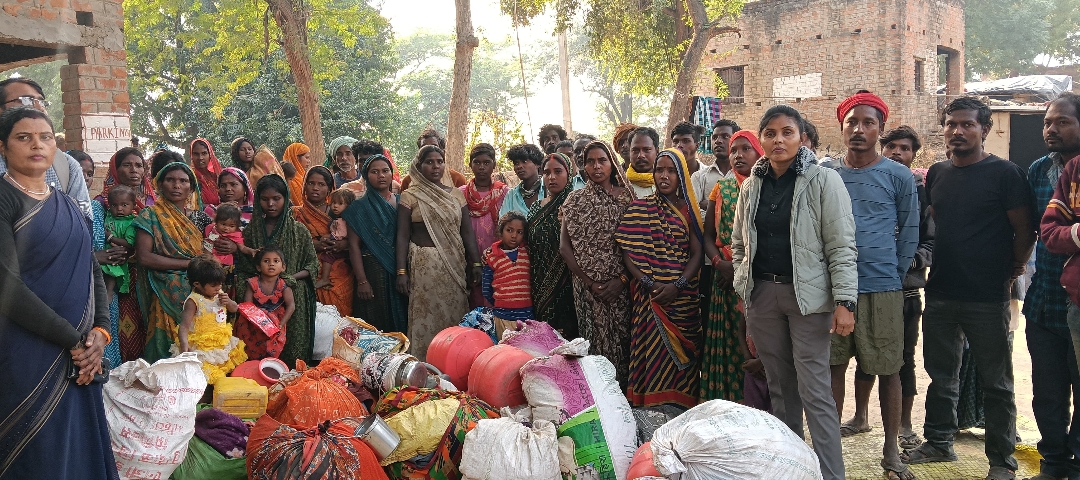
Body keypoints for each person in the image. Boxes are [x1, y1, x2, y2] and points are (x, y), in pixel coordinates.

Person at [902, 97, 1034, 480]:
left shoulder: (1006, 174)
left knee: (997, 382)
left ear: (984, 130)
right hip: (941, 291)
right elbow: (939, 222)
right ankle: (939, 443)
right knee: (942, 375)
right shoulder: (939, 174)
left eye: (967, 125)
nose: (957, 131)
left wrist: (1014, 269)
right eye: (951, 124)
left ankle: (1001, 459)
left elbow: (1025, 230)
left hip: (987, 295)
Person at [731, 105, 857, 480]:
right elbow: (739, 245)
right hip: (763, 297)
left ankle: (832, 474)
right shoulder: (752, 186)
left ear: (802, 137)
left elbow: (842, 246)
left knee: (815, 390)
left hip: (809, 299)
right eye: (770, 133)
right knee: (780, 389)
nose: (778, 139)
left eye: (787, 132)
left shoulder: (823, 181)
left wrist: (844, 302)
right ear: (762, 140)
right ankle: (793, 471)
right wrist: (744, 285)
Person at [0, 106, 117, 480]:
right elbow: (7, 286)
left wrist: (99, 333)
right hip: (26, 351)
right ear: (2, 147)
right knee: (37, 454)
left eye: (45, 137)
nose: (37, 144)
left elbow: (90, 268)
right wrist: (74, 342)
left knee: (78, 450)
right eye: (23, 137)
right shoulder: (4, 200)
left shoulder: (66, 202)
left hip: (80, 354)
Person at [825, 92, 919, 480]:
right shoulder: (826, 174)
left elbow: (909, 229)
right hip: (832, 290)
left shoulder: (898, 175)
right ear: (842, 126)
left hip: (882, 287)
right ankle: (827, 451)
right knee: (831, 366)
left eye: (868, 123)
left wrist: (893, 275)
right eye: (852, 122)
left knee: (888, 369)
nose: (859, 130)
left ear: (880, 129)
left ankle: (891, 451)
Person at [844, 125, 933, 452]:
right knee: (847, 363)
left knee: (894, 363)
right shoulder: (836, 175)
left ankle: (896, 439)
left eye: (905, 148)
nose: (898, 152)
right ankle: (850, 428)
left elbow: (919, 236)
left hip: (894, 288)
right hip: (849, 286)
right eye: (892, 146)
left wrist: (896, 271)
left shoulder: (912, 185)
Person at [615, 148, 703, 410]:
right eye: (659, 170)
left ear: (681, 175)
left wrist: (678, 285)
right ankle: (648, 406)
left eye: (671, 171)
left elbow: (697, 253)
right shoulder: (640, 208)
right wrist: (648, 282)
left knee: (683, 359)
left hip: (682, 299)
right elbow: (628, 250)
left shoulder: (689, 210)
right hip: (650, 296)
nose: (664, 176)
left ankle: (681, 408)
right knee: (650, 352)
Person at [1027, 93, 1080, 480]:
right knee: (1047, 392)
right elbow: (1037, 230)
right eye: (1048, 122)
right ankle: (1054, 462)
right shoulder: (1037, 170)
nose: (1051, 129)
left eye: (1062, 122)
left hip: (1077, 300)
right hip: (1044, 297)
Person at [560, 140, 636, 387]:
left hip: (622, 288)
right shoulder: (574, 201)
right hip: (587, 290)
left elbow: (636, 245)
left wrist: (622, 280)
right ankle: (601, 398)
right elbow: (564, 247)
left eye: (602, 160)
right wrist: (590, 283)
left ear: (612, 163)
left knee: (625, 344)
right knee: (594, 347)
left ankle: (626, 399)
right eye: (590, 161)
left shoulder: (627, 199)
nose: (596, 166)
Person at [396, 145, 481, 361]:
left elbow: (467, 232)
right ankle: (425, 363)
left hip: (454, 264)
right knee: (426, 316)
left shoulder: (455, 196)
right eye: (429, 162)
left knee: (454, 314)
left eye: (439, 161)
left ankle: (455, 362)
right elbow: (402, 236)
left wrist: (476, 264)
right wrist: (401, 272)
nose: (435, 166)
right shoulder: (409, 196)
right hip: (425, 267)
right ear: (419, 165)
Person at [701, 129, 760, 402]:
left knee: (754, 343)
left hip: (758, 280)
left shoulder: (768, 188)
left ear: (759, 152)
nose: (738, 155)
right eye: (734, 150)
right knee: (725, 343)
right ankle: (723, 401)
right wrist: (719, 264)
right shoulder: (720, 189)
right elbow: (708, 236)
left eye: (745, 149)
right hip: (724, 278)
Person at [236, 175, 318, 367]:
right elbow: (242, 268)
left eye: (277, 199)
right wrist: (259, 286)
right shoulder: (250, 233)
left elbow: (313, 265)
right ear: (257, 200)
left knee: (292, 352)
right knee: (258, 353)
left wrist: (288, 279)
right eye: (265, 199)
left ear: (286, 199)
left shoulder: (299, 231)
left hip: (292, 297)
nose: (271, 204)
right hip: (257, 301)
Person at [134, 162, 213, 363]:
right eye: (170, 180)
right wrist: (189, 265)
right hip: (163, 291)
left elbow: (210, 255)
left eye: (183, 181)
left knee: (200, 347)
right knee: (165, 350)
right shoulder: (150, 215)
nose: (176, 185)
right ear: (160, 185)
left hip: (198, 293)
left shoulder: (201, 219)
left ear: (191, 187)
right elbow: (144, 257)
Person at [0, 78, 92, 219]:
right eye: (26, 100)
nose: (39, 108)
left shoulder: (66, 166)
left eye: (41, 102)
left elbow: (83, 224)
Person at [344, 154, 408, 333]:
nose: (381, 175)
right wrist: (362, 280)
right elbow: (354, 246)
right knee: (375, 319)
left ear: (391, 174)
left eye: (385, 171)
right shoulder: (358, 208)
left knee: (402, 314)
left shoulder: (403, 202)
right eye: (375, 172)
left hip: (401, 268)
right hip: (372, 270)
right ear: (366, 175)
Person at [528, 152, 580, 339]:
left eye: (558, 172)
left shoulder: (576, 206)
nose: (552, 177)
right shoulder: (536, 207)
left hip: (569, 286)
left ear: (569, 174)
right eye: (547, 172)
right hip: (538, 283)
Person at [292, 166, 354, 317]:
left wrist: (344, 244)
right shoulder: (295, 213)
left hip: (339, 267)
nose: (315, 188)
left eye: (321, 184)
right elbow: (290, 242)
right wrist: (314, 246)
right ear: (304, 186)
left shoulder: (340, 210)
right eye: (311, 183)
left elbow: (356, 237)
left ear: (329, 188)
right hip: (307, 268)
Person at [177, 255, 246, 385]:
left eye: (220, 284)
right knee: (204, 376)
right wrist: (184, 346)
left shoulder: (218, 293)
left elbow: (234, 308)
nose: (218, 287)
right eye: (214, 285)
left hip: (221, 342)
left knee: (222, 372)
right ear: (197, 284)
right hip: (202, 346)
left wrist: (229, 301)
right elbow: (184, 326)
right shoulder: (194, 301)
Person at [462, 143, 508, 309]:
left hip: (497, 257)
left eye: (486, 162)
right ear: (470, 164)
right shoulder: (461, 193)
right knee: (473, 301)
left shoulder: (503, 193)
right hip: (469, 257)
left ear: (494, 165)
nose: (482, 167)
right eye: (477, 162)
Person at [482, 212, 534, 339]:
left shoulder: (527, 252)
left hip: (527, 315)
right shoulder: (492, 257)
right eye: (509, 230)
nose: (514, 235)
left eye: (519, 232)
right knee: (507, 352)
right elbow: (486, 288)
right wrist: (501, 302)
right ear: (501, 231)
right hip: (503, 316)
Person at [239, 246, 294, 360]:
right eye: (266, 261)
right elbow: (248, 306)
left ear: (283, 267)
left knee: (271, 348)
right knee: (248, 346)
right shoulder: (253, 283)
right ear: (258, 267)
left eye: (276, 261)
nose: (271, 264)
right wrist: (257, 320)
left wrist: (281, 324)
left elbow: (291, 306)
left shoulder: (283, 286)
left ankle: (267, 365)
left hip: (275, 323)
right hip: (253, 321)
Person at [691, 119, 740, 212]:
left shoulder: (744, 176)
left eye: (725, 136)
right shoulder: (699, 177)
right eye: (714, 137)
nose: (718, 141)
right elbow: (694, 213)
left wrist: (711, 204)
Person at [314, 188, 356, 291]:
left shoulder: (347, 220)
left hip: (346, 250)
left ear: (349, 205)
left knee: (327, 256)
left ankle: (324, 278)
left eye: (340, 203)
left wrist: (329, 237)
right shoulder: (338, 219)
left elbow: (342, 235)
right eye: (333, 203)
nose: (335, 206)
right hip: (344, 249)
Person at [101, 185, 138, 300]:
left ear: (133, 206)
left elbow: (129, 243)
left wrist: (110, 237)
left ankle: (109, 292)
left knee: (112, 272)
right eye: (114, 205)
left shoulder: (131, 223)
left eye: (124, 205)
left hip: (118, 254)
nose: (119, 209)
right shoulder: (108, 216)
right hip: (104, 252)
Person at [399, 129, 468, 190]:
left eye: (434, 146)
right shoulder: (408, 181)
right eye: (424, 147)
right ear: (419, 154)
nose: (430, 150)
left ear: (442, 152)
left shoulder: (457, 179)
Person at [499, 143, 546, 217]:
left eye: (524, 161)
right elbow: (504, 223)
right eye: (516, 163)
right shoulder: (511, 195)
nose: (519, 166)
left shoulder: (549, 188)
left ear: (537, 164)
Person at [626, 127, 660, 198]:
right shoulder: (622, 186)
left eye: (647, 150)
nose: (641, 155)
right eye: (635, 150)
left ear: (657, 151)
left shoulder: (670, 183)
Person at [190, 138, 223, 207]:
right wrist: (216, 208)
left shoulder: (217, 176)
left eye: (204, 153)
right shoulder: (189, 177)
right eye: (196, 154)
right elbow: (191, 204)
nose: (200, 158)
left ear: (210, 154)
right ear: (191, 155)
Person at [282, 142, 311, 207]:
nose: (309, 161)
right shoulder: (290, 180)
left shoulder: (303, 176)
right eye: (307, 157)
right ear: (296, 158)